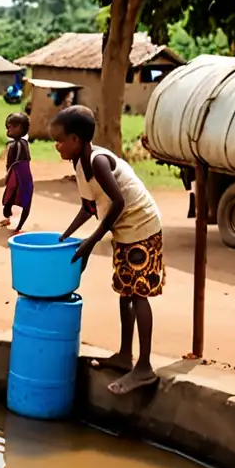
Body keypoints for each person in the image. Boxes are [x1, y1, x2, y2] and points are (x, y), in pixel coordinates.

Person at [51, 105, 163, 395]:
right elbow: (89, 207)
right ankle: (125, 356)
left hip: (142, 226)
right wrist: (64, 237)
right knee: (125, 292)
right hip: (123, 230)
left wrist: (91, 243)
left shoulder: (98, 161)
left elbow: (119, 203)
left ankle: (145, 368)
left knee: (138, 294)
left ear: (76, 140)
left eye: (60, 140)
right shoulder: (80, 164)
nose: (56, 146)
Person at [0, 112, 34, 233]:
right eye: (7, 126)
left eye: (10, 127)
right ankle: (8, 219)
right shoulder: (15, 144)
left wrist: (11, 175)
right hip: (15, 176)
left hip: (21, 177)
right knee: (9, 199)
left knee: (21, 200)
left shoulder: (20, 144)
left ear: (20, 128)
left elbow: (18, 163)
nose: (8, 129)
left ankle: (18, 227)